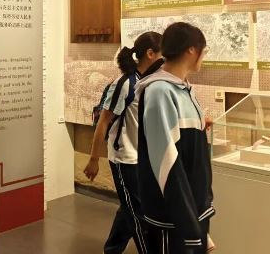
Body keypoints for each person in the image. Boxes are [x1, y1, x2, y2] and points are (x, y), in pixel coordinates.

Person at [135, 22, 214, 254]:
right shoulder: (160, 91)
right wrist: (190, 227)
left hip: (191, 210)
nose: (203, 57)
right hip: (173, 218)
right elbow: (166, 162)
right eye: (203, 51)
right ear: (191, 50)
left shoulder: (183, 88)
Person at [83, 32, 163, 254]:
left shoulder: (150, 81)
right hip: (124, 157)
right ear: (150, 54)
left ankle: (112, 249)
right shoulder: (126, 83)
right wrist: (94, 159)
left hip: (142, 156)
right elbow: (104, 121)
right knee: (138, 213)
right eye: (162, 53)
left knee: (130, 207)